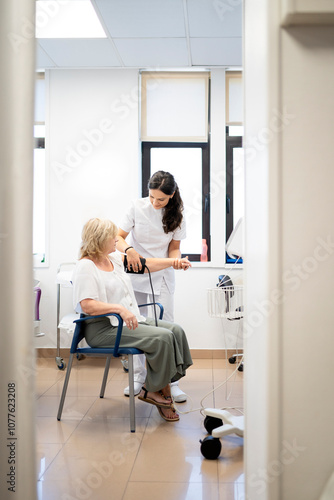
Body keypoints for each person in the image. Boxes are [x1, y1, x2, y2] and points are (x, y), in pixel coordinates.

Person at [72, 218, 193, 422]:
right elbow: (87, 305)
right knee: (162, 338)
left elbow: (146, 264)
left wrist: (174, 263)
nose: (116, 240)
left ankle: (161, 388)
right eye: (112, 237)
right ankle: (154, 391)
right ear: (100, 240)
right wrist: (119, 309)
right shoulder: (86, 266)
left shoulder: (115, 260)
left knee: (176, 331)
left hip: (125, 321)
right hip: (102, 329)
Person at [116, 170, 189, 402]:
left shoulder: (177, 215)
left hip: (163, 274)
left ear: (171, 195)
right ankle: (139, 377)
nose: (155, 203)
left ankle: (171, 381)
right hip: (136, 272)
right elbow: (118, 237)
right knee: (135, 324)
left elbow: (174, 248)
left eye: (161, 199)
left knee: (166, 325)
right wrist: (129, 249)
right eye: (152, 197)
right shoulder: (136, 207)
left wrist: (176, 260)